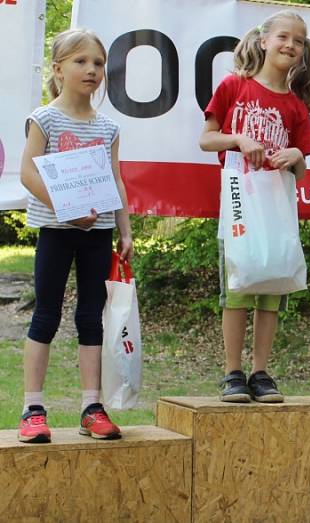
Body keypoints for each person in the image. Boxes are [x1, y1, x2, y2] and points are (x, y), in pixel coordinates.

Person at [199, 10, 310, 403]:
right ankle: (232, 373)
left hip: (277, 205)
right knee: (238, 285)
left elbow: (302, 170)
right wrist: (238, 140)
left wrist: (294, 156)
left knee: (272, 285)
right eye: (283, 37)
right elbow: (206, 140)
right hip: (239, 202)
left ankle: (261, 372)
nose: (290, 45)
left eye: (298, 41)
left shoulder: (296, 106)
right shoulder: (234, 86)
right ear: (264, 40)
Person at [18, 28, 134, 443]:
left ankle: (91, 406)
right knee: (45, 315)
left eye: (98, 63)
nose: (91, 70)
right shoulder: (44, 118)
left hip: (98, 234)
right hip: (55, 231)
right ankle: (32, 408)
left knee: (91, 319)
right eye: (80, 62)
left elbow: (116, 180)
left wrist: (124, 228)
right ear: (58, 68)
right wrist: (66, 210)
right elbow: (28, 172)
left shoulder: (108, 127)